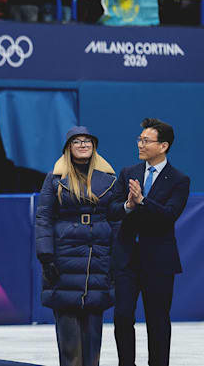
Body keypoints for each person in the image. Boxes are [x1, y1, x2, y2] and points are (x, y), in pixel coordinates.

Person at [108, 118, 189, 366]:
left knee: (157, 320)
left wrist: (143, 201)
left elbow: (169, 215)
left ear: (163, 146)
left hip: (159, 261)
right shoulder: (128, 173)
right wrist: (128, 205)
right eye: (139, 139)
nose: (140, 144)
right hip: (127, 259)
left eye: (146, 140)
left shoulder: (178, 180)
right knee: (122, 316)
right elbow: (111, 210)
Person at [35, 126, 118, 366]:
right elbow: (44, 217)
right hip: (64, 256)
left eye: (87, 141)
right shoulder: (54, 180)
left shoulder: (110, 181)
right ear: (68, 148)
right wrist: (46, 256)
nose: (83, 145)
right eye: (77, 141)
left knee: (93, 331)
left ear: (94, 147)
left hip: (98, 256)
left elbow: (116, 219)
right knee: (68, 333)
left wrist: (118, 257)